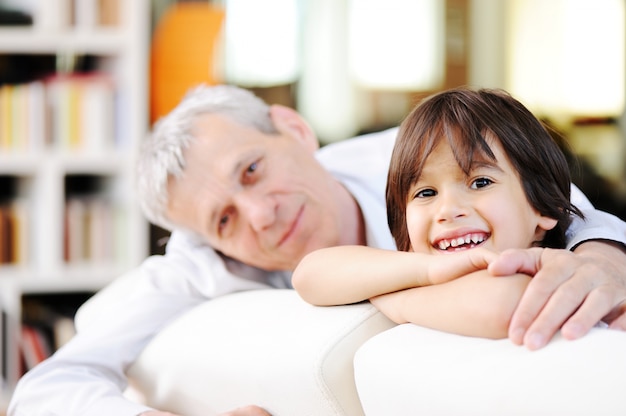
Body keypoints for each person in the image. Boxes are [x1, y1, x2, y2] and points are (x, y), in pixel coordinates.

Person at [8, 85, 626, 416]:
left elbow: (566, 207)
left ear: (295, 130)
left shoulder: (423, 161)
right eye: (224, 218)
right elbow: (45, 389)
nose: (260, 214)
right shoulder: (202, 263)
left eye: (252, 170)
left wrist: (603, 254)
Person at [293, 87, 588, 339]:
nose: (448, 210)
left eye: (480, 182)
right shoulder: (426, 270)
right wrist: (427, 270)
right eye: (426, 193)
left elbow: (506, 304)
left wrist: (393, 299)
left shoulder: (550, 269)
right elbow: (309, 274)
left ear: (544, 206)